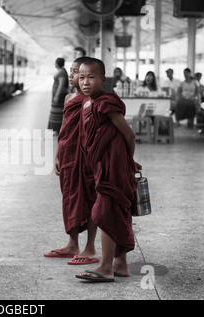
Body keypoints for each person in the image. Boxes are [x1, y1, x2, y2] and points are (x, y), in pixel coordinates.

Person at [75, 58, 142, 282]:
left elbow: (129, 135)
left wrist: (128, 162)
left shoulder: (106, 103)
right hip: (104, 165)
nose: (85, 82)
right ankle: (120, 264)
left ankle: (105, 268)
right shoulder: (89, 104)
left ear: (103, 80)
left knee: (105, 211)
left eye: (91, 77)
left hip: (114, 167)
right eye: (81, 77)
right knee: (117, 212)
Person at [44, 57, 98, 265]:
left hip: (86, 158)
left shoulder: (91, 101)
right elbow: (64, 130)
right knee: (70, 197)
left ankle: (90, 248)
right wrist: (58, 155)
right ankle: (72, 243)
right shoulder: (68, 99)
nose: (72, 75)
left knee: (90, 199)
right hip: (68, 156)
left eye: (77, 72)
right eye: (72, 71)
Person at [48, 58, 69, 134]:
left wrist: (57, 95)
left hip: (60, 96)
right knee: (56, 112)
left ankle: (58, 129)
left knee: (58, 112)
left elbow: (61, 85)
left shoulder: (61, 72)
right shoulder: (62, 71)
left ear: (56, 64)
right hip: (58, 95)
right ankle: (57, 129)